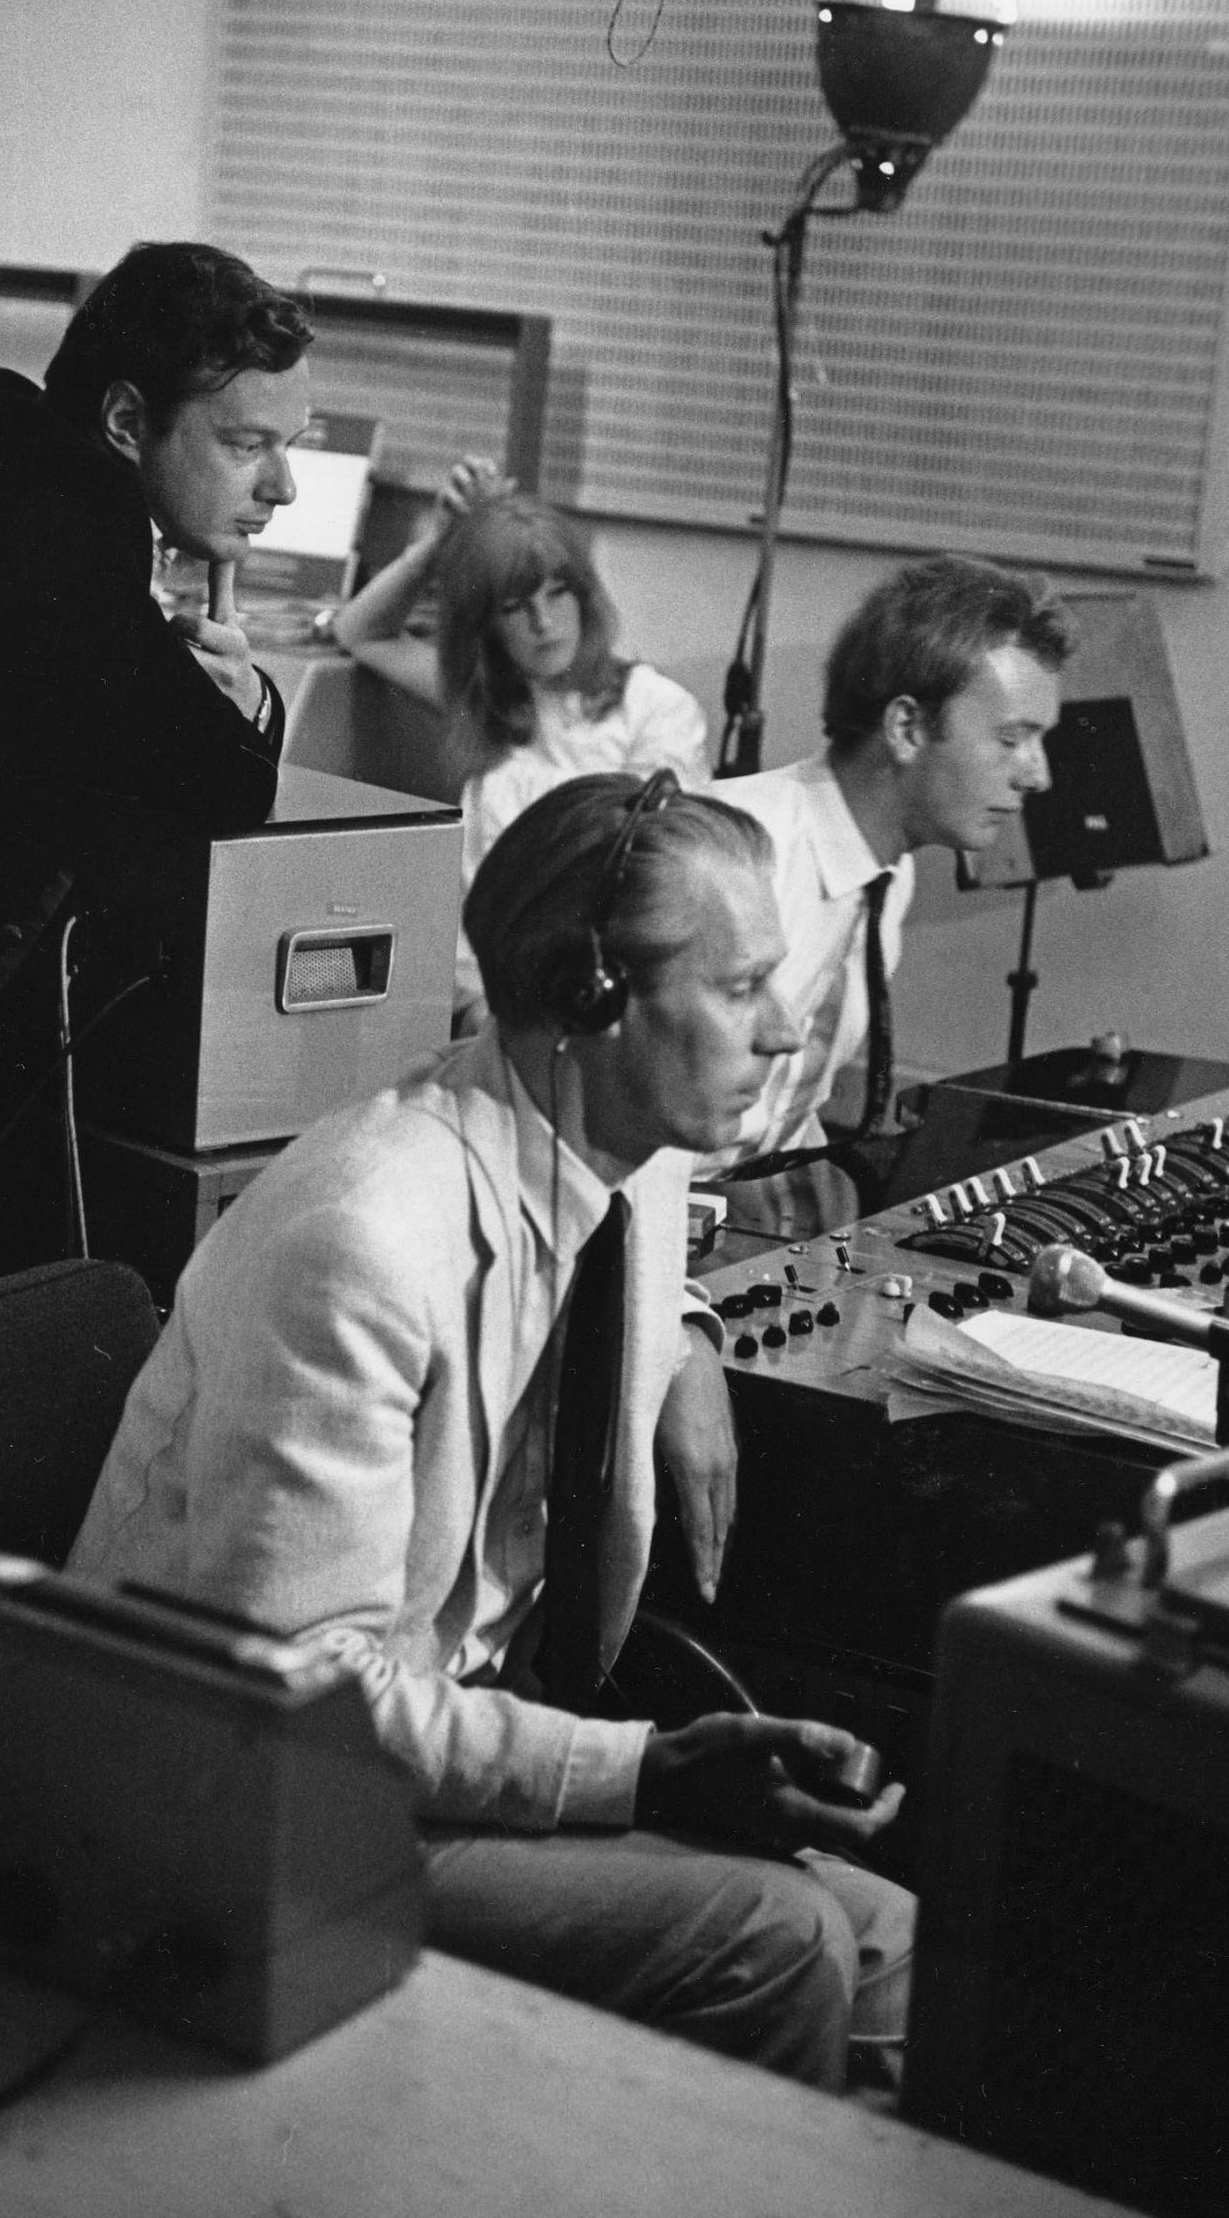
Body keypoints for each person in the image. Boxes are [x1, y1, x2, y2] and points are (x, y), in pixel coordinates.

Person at [70, 771, 913, 2087]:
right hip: (255, 1814)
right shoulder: (358, 1241)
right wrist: (639, 1773)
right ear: (589, 1003)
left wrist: (685, 1337)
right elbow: (304, 1699)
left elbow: (584, 1288)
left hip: (453, 1747)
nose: (789, 1028)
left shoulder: (625, 1161)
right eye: (742, 988)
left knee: (906, 1946)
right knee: (781, 1940)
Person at [0, 241, 313, 1331]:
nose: (283, 486)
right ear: (128, 422)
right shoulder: (67, 521)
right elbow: (223, 785)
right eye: (246, 444)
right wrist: (247, 708)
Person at [710, 553, 1074, 1237]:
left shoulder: (886, 870)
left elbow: (778, 1100)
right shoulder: (732, 857)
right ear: (905, 728)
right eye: (1010, 739)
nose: (1037, 776)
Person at [332, 475, 710, 1014]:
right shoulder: (491, 700)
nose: (544, 622)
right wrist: (442, 545)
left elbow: (651, 886)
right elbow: (360, 632)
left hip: (578, 1004)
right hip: (467, 993)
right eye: (515, 606)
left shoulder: (655, 709)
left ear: (585, 599)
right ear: (486, 625)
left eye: (558, 595)